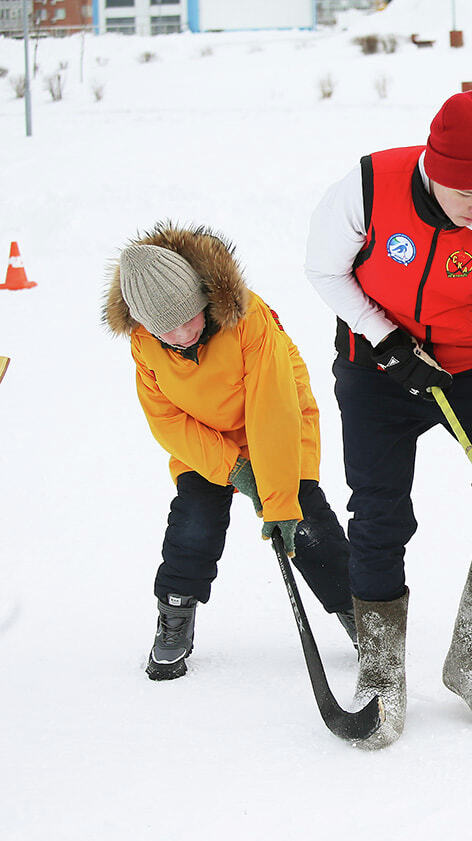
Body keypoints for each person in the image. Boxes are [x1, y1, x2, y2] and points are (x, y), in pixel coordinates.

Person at [304, 88, 472, 749]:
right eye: (466, 193)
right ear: (432, 168)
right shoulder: (366, 186)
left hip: (471, 369)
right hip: (375, 367)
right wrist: (383, 338)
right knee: (380, 511)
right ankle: (380, 673)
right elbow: (324, 270)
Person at [103, 223, 356, 682]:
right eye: (168, 329)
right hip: (205, 440)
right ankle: (175, 614)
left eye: (190, 317)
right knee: (194, 521)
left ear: (203, 297)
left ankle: (360, 614)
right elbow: (167, 420)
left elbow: (273, 408)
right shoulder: (145, 345)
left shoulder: (248, 321)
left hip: (276, 416)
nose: (182, 333)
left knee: (304, 520)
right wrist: (233, 469)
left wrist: (278, 500)